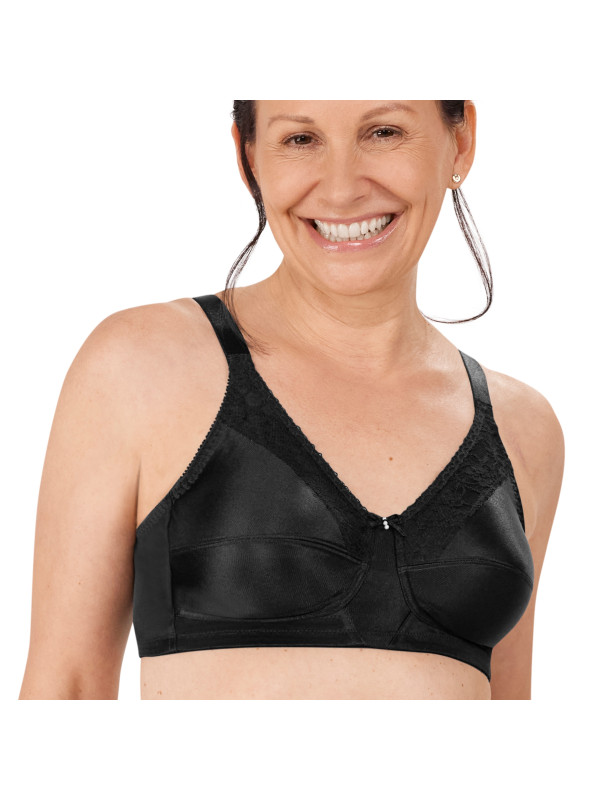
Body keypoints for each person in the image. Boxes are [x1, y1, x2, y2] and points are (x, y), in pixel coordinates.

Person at [19, 100, 564, 700]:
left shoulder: (522, 427)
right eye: (301, 140)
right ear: (248, 157)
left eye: (384, 132)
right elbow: (64, 690)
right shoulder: (143, 364)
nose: (342, 188)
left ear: (460, 142)